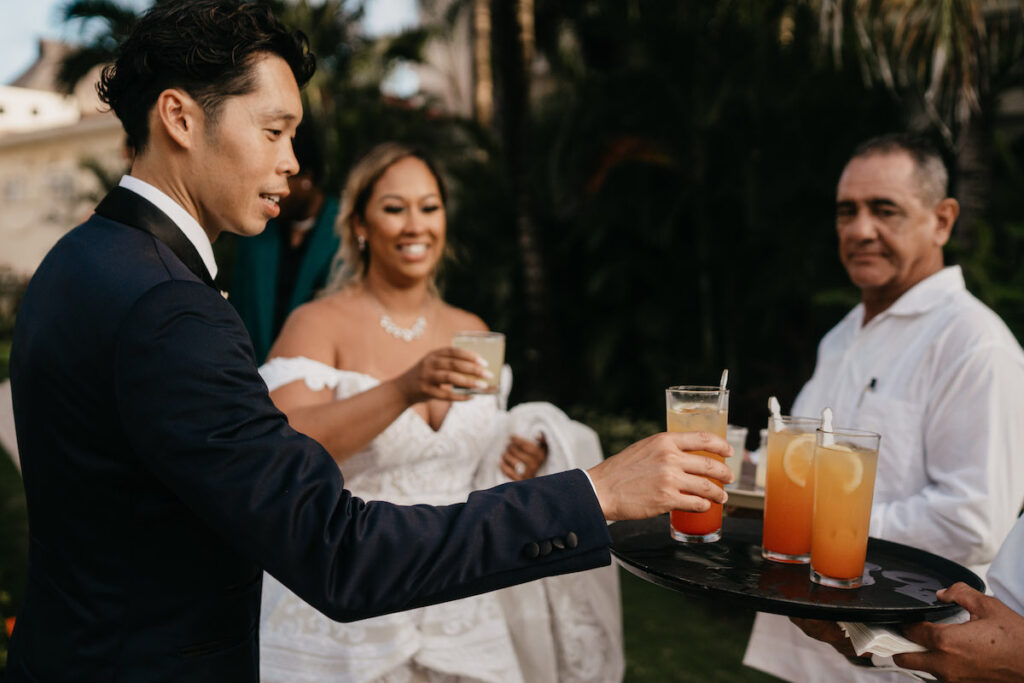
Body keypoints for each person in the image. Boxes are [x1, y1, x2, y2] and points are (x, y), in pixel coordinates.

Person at [6, 2, 734, 680]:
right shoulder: (173, 308)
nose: (292, 161)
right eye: (273, 129)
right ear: (180, 117)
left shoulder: (75, 263)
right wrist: (595, 491)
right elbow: (340, 551)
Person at [256, 142, 623, 682]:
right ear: (359, 223)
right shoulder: (317, 323)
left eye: (429, 207)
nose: (415, 225)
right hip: (352, 603)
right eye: (394, 207)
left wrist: (519, 449)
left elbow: (478, 451)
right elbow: (281, 450)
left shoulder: (468, 325)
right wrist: (402, 389)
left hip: (464, 600)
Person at [743, 133, 1024, 682]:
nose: (859, 229)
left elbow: (972, 521)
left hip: (896, 659)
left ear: (942, 221)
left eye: (884, 210)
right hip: (806, 644)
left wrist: (808, 526)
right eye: (847, 211)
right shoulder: (842, 336)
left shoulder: (975, 345)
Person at [230, 116, 341, 362]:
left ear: (307, 179)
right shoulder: (256, 230)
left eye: (284, 175)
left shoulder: (346, 234)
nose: (270, 186)